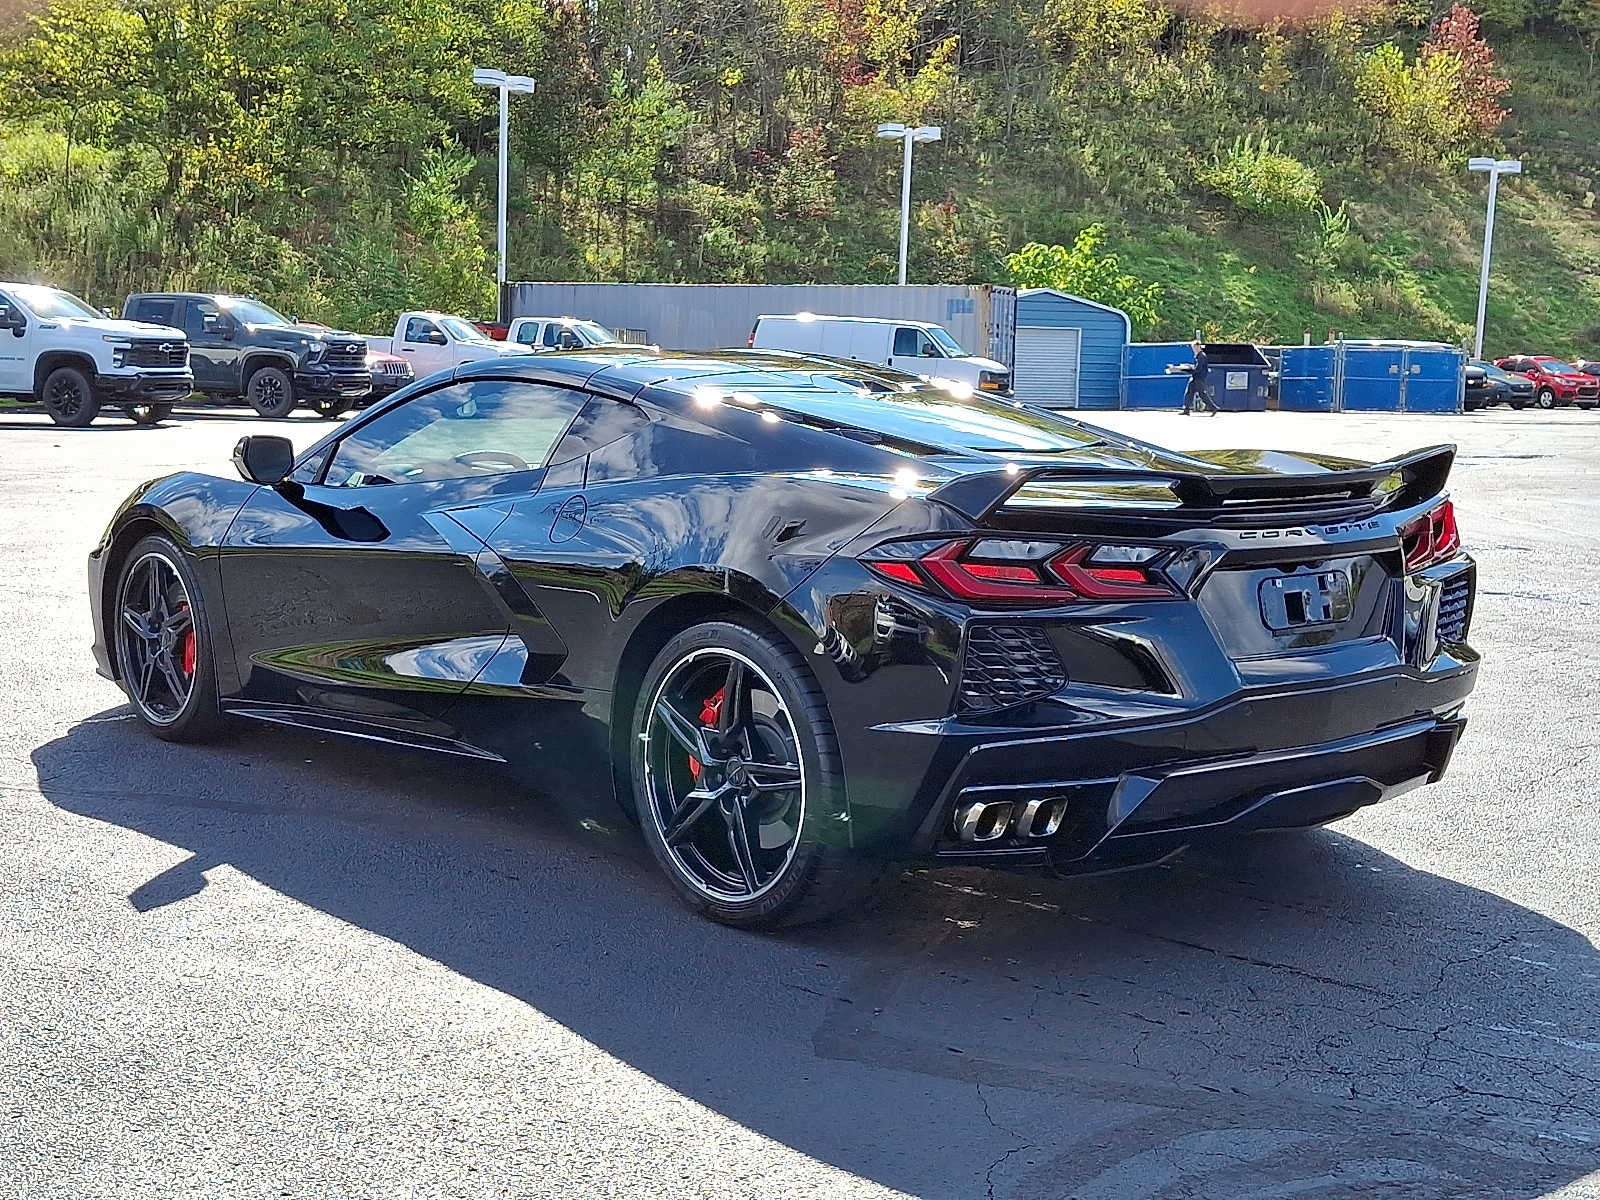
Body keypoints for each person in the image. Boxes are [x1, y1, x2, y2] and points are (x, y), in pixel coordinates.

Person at [1182, 340, 1217, 415]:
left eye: (1194, 348)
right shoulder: (1198, 356)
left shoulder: (1201, 356)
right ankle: (1186, 409)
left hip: (1199, 379)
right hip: (1195, 378)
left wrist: (1186, 369)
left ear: (1198, 347)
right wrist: (1188, 366)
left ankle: (1213, 408)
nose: (1193, 350)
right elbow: (1195, 367)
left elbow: (1197, 369)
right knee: (1189, 393)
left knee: (1202, 395)